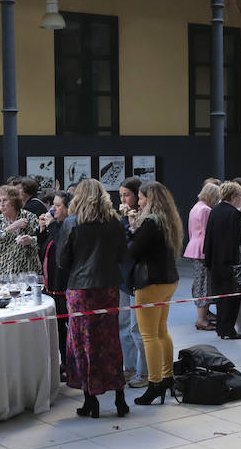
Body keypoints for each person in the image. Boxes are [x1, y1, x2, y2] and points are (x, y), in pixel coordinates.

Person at [57, 179, 128, 418]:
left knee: (83, 342)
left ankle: (91, 399)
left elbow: (62, 261)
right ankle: (120, 398)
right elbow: (122, 255)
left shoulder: (72, 223)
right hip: (108, 287)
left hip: (81, 289)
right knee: (110, 340)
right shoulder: (114, 223)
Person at [130, 182, 182, 405]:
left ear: (150, 199)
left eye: (141, 198)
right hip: (168, 281)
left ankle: (155, 384)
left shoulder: (150, 222)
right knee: (161, 331)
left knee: (149, 335)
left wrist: (131, 229)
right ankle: (167, 377)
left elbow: (134, 251)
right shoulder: (169, 219)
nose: (138, 202)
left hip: (150, 283)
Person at [203, 181, 241, 341]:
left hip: (215, 261)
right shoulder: (234, 214)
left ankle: (221, 328)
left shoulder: (215, 210)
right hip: (230, 261)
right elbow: (239, 239)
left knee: (220, 296)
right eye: (240, 196)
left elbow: (209, 237)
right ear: (234, 197)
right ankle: (229, 329)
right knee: (232, 297)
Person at [116, 177, 147, 387]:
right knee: (124, 325)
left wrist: (131, 222)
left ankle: (145, 372)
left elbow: (136, 247)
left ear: (138, 196)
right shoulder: (123, 218)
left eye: (126, 194)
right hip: (123, 277)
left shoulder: (144, 218)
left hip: (139, 279)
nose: (123, 199)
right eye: (120, 195)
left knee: (139, 328)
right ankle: (129, 367)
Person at [39, 189, 72, 367]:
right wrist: (43, 230)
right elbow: (44, 251)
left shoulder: (67, 226)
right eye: (53, 205)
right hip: (51, 286)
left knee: (67, 329)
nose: (53, 209)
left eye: (58, 206)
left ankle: (70, 365)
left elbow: (62, 247)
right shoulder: (56, 226)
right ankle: (63, 364)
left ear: (68, 208)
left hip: (64, 287)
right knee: (58, 330)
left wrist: (51, 225)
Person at [184, 181, 220, 331]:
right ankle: (201, 319)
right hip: (202, 250)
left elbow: (191, 231)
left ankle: (204, 316)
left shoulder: (196, 207)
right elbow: (208, 233)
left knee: (200, 282)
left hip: (195, 247)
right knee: (203, 283)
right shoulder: (205, 210)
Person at [0, 184, 41, 276]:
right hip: (4, 271)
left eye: (5, 200)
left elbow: (42, 241)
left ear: (14, 201)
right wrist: (12, 227)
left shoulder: (29, 217)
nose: (1, 204)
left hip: (27, 271)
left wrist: (31, 240)